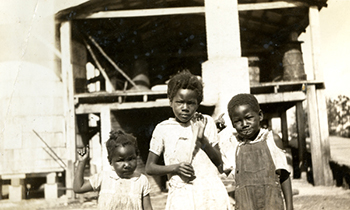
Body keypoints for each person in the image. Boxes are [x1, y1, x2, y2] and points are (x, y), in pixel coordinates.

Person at [145, 70, 231, 210]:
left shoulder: (206, 122)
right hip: (182, 196)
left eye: (191, 103)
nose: (185, 108)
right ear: (170, 101)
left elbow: (219, 162)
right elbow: (150, 167)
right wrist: (175, 168)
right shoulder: (163, 128)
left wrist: (203, 140)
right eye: (179, 102)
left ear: (198, 104)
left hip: (210, 195)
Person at [224, 93, 293, 210]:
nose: (244, 124)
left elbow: (284, 175)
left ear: (260, 115)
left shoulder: (272, 139)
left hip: (272, 204)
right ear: (232, 124)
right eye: (238, 121)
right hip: (245, 205)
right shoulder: (233, 145)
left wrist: (290, 207)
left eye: (249, 118)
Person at [73, 130, 153, 210]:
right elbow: (78, 188)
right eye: (121, 160)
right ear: (110, 161)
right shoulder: (104, 178)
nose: (127, 165)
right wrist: (82, 162)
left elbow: (148, 208)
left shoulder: (141, 180)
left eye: (131, 159)